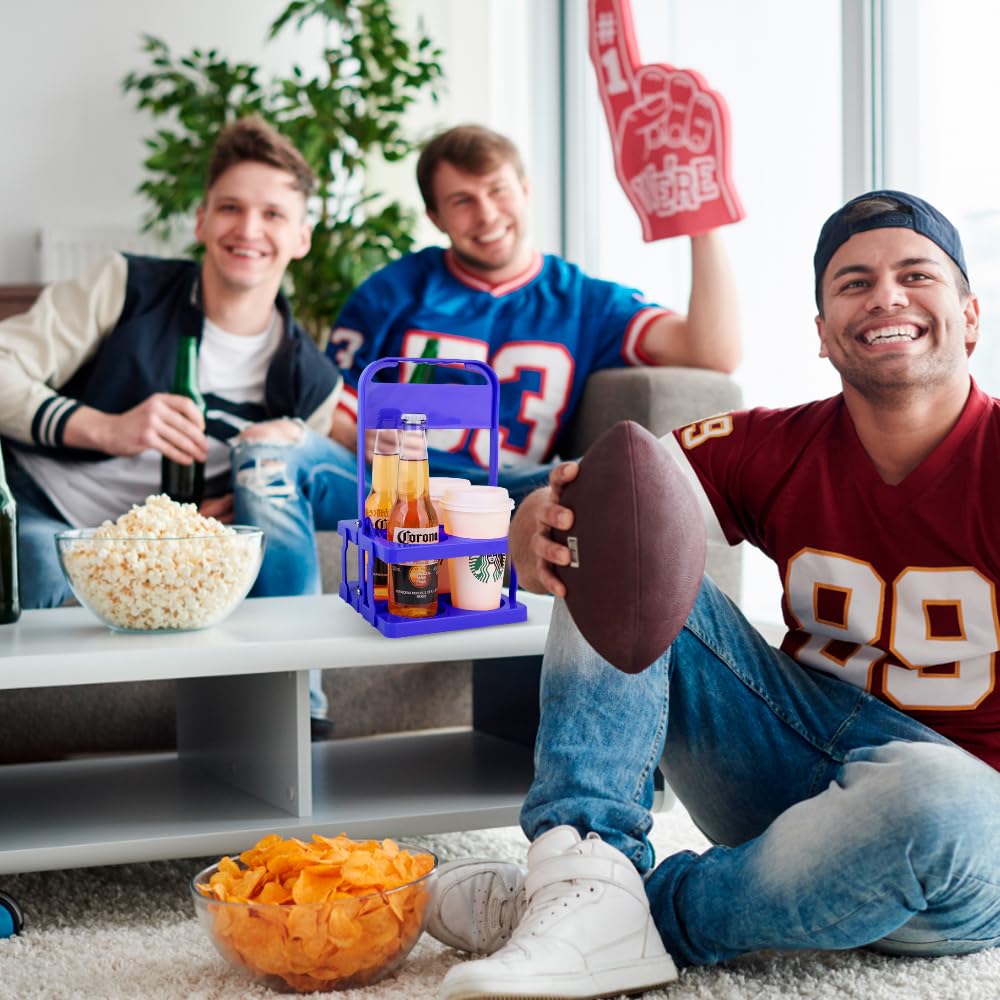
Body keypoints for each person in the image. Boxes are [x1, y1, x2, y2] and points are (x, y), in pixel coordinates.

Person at [428, 190, 1000, 1000]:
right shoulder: (777, 442)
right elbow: (601, 494)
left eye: (916, 275)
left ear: (970, 318)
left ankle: (611, 915)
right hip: (786, 759)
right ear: (823, 334)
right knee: (613, 521)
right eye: (854, 283)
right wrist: (532, 520)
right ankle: (583, 863)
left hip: (950, 832)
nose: (886, 296)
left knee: (936, 799)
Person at [232, 123, 740, 596]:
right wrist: (359, 434)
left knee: (631, 473)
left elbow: (713, 352)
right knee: (267, 457)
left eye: (498, 190)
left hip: (509, 495)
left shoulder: (584, 300)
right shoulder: (394, 290)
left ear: (525, 189)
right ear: (435, 217)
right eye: (463, 200)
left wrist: (703, 221)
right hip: (393, 493)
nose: (487, 214)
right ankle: (291, 660)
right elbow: (336, 412)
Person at [0, 115, 342, 736]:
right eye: (230, 208)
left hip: (161, 554)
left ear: (302, 237)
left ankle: (291, 722)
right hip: (40, 502)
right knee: (42, 571)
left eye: (272, 214)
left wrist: (237, 507)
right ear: (201, 221)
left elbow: (293, 494)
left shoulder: (313, 382)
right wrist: (102, 427)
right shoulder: (122, 285)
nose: (248, 229)